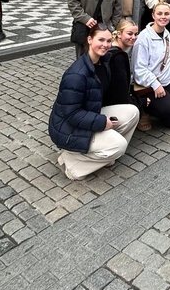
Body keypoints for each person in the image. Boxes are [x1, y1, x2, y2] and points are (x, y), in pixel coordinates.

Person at [49, 23, 140, 181]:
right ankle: (73, 164)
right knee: (119, 145)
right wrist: (101, 122)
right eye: (101, 40)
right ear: (89, 40)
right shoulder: (76, 75)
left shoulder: (103, 62)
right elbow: (71, 114)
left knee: (132, 112)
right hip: (67, 127)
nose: (105, 45)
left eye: (108, 40)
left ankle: (101, 153)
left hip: (89, 114)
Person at [131, 3, 170, 128]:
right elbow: (139, 69)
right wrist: (155, 84)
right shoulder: (143, 39)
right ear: (153, 15)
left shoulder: (167, 33)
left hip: (164, 81)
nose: (163, 17)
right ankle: (144, 110)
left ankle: (157, 107)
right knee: (167, 108)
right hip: (148, 84)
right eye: (159, 14)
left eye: (166, 14)